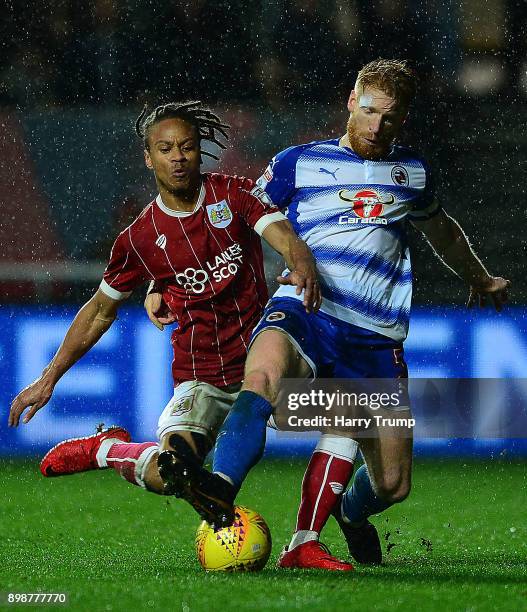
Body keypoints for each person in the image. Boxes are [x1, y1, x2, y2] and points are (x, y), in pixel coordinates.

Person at [159, 59, 510, 569]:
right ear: (351, 100)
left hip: (373, 334)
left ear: (403, 119)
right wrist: (161, 282)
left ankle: (348, 512)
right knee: (263, 374)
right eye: (368, 111)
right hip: (305, 307)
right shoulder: (296, 162)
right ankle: (221, 489)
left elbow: (443, 231)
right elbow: (231, 219)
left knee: (392, 484)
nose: (375, 125)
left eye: (389, 117)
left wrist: (478, 276)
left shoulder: (411, 172)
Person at [8, 100, 328, 522]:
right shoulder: (138, 238)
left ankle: (340, 521)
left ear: (200, 151)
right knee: (175, 472)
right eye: (165, 149)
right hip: (203, 376)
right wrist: (48, 379)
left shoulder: (233, 194)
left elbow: (280, 232)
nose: (178, 158)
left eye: (187, 147)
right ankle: (108, 449)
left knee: (367, 416)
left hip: (264, 360)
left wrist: (300, 260)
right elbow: (100, 311)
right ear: (148, 157)